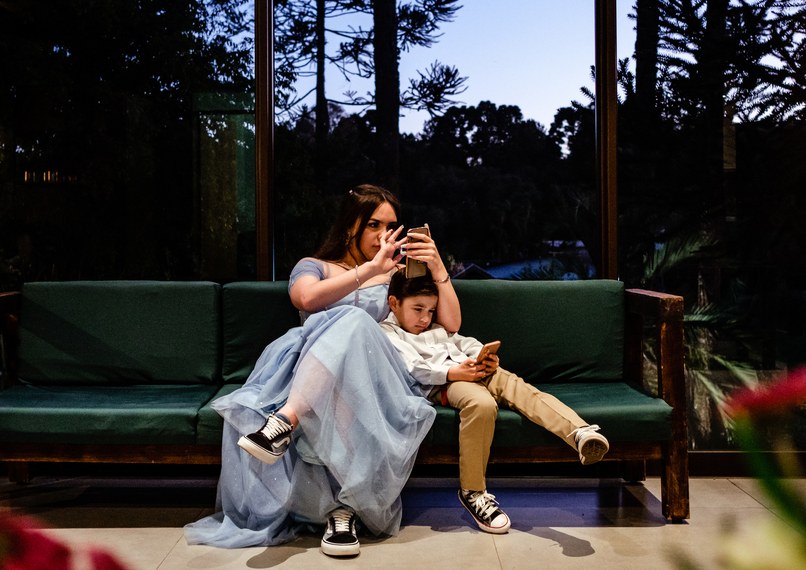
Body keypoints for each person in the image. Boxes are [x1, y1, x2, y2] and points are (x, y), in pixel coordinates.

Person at [184, 184, 461, 557]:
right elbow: (306, 298)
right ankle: (338, 511)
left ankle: (283, 424)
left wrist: (438, 266)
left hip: (376, 375)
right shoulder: (315, 266)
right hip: (310, 370)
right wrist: (368, 272)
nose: (383, 235)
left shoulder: (400, 274)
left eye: (390, 226)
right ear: (351, 226)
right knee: (345, 328)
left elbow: (452, 324)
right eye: (373, 225)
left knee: (354, 322)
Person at [379, 273, 610, 535]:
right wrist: (456, 373)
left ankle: (579, 432)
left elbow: (463, 342)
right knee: (482, 404)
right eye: (417, 309)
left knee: (518, 387)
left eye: (431, 310)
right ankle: (473, 492)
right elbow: (414, 368)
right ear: (394, 303)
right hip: (443, 383)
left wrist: (483, 357)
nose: (425, 318)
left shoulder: (434, 329)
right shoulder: (387, 332)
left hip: (470, 370)